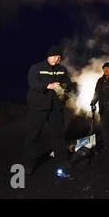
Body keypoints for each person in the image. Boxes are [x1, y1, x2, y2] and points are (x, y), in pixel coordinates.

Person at [24, 45, 73, 176]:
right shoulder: (36, 68)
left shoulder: (62, 70)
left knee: (58, 135)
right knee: (33, 135)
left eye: (59, 57)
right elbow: (33, 83)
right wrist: (48, 86)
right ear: (48, 56)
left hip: (56, 108)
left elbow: (69, 84)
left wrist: (62, 87)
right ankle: (29, 164)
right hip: (38, 107)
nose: (57, 59)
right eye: (54, 56)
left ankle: (62, 161)